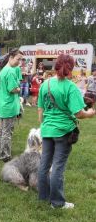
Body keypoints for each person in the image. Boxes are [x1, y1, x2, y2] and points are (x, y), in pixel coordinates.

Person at [37, 54, 95, 209]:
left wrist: (44, 126)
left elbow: (40, 109)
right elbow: (79, 113)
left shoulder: (46, 84)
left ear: (56, 66)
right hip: (63, 131)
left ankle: (43, 196)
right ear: (71, 68)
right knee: (58, 167)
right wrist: (91, 113)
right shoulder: (71, 87)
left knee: (44, 164)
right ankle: (57, 203)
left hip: (47, 129)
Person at [0, 48, 22, 162]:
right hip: (8, 106)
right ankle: (5, 155)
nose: (19, 62)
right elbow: (13, 89)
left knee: (1, 131)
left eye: (20, 59)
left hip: (2, 104)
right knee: (7, 132)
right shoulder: (10, 71)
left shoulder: (4, 70)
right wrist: (19, 88)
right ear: (11, 57)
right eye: (18, 59)